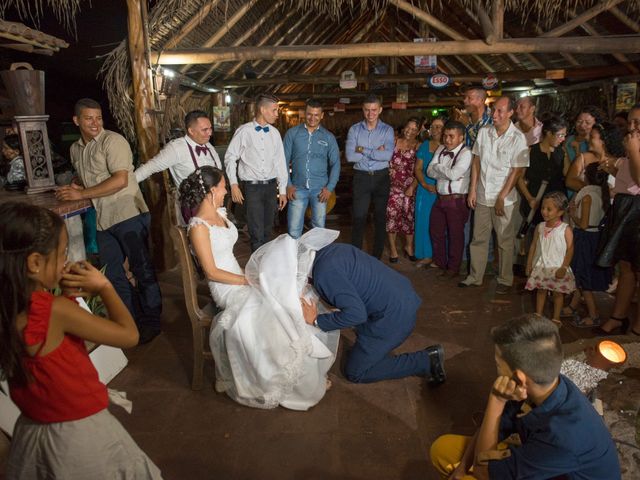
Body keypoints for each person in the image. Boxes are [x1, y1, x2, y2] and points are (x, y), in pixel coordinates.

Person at [0, 202, 161, 479]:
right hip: (76, 435)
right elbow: (128, 335)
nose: (65, 261)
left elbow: (49, 353)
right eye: (62, 254)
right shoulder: (53, 312)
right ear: (35, 263)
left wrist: (65, 297)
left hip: (33, 430)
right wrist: (104, 286)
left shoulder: (10, 309)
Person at [179, 167, 339, 410]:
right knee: (272, 316)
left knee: (288, 297)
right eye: (223, 186)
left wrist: (252, 275)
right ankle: (285, 381)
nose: (226, 190)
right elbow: (211, 272)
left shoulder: (220, 213)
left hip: (241, 277)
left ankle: (306, 368)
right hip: (227, 288)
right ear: (212, 191)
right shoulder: (198, 226)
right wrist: (246, 281)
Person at [430, 314, 621, 480]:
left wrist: (496, 401)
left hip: (552, 468)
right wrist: (462, 467)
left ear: (520, 379)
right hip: (542, 463)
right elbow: (496, 428)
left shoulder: (563, 436)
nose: (496, 370)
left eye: (498, 364)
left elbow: (483, 473)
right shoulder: (544, 383)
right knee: (443, 449)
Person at [55, 98, 162, 345]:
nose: (95, 122)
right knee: (113, 274)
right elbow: (93, 178)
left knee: (142, 270)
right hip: (102, 219)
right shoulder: (75, 149)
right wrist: (78, 185)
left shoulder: (113, 141)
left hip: (127, 214)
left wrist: (81, 194)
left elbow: (120, 180)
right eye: (89, 118)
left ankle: (152, 323)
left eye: (99, 117)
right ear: (77, 121)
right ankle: (130, 322)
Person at [301, 242, 446, 385]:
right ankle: (369, 347)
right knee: (357, 335)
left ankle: (427, 360)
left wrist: (316, 320)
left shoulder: (324, 274)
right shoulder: (328, 251)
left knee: (355, 372)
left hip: (394, 317)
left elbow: (356, 315)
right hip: (402, 295)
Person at [460, 96, 529, 294]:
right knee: (478, 238)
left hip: (504, 199)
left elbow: (517, 171)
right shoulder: (484, 132)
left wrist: (502, 197)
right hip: (482, 195)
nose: (495, 114)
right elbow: (476, 161)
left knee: (505, 241)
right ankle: (475, 276)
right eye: (494, 110)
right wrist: (472, 189)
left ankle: (505, 279)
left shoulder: (518, 138)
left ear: (510, 113)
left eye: (500, 111)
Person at [595, 103, 640, 336]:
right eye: (630, 122)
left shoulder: (634, 146)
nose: (631, 127)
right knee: (625, 267)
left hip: (638, 208)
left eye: (637, 123)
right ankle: (618, 317)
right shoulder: (630, 143)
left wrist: (633, 151)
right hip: (625, 207)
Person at [225, 93, 288, 252]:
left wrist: (282, 191)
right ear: (262, 109)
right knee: (256, 231)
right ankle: (257, 271)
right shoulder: (244, 131)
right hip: (252, 188)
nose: (276, 114)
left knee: (268, 230)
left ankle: (265, 267)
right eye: (274, 110)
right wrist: (233, 184)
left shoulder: (275, 133)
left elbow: (280, 163)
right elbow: (230, 157)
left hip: (271, 186)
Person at [345, 93, 395, 259]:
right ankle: (356, 257)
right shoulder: (354, 129)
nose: (370, 113)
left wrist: (362, 150)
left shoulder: (388, 130)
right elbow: (351, 157)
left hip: (381, 177)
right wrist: (375, 152)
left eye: (374, 110)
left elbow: (387, 156)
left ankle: (376, 258)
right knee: (359, 218)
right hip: (361, 177)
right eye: (367, 110)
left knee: (380, 218)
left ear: (380, 110)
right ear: (363, 110)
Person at [284, 98, 340, 239]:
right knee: (293, 230)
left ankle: (316, 259)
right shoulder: (292, 134)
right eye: (309, 114)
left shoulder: (328, 137)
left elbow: (335, 164)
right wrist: (288, 185)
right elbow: (283, 161)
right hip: (297, 189)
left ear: (321, 115)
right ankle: (294, 260)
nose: (312, 118)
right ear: (304, 113)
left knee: (319, 230)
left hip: (320, 190)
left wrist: (329, 188)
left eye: (316, 115)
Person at [564, 163, 612, 327]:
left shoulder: (587, 196)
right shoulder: (603, 193)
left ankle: (593, 314)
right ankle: (572, 306)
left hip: (584, 238)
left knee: (583, 276)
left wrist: (571, 213)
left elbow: (583, 224)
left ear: (587, 177)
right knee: (582, 275)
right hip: (595, 237)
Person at [427, 120, 472, 278]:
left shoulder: (466, 153)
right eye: (445, 136)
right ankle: (440, 262)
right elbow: (429, 172)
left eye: (451, 136)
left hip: (456, 200)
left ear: (461, 137)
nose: (447, 140)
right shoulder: (440, 149)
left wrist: (438, 168)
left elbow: (454, 174)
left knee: (455, 235)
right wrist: (444, 170)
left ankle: (453, 268)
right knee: (436, 231)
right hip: (440, 199)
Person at [134, 110, 222, 188]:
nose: (210, 133)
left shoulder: (209, 146)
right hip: (193, 204)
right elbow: (149, 168)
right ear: (191, 131)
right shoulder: (176, 148)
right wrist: (126, 187)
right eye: (205, 130)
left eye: (210, 129)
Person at [525, 192, 575, 323]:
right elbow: (534, 245)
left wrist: (564, 267)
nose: (544, 212)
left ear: (560, 212)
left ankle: (556, 318)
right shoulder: (540, 227)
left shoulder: (565, 229)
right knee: (541, 291)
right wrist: (529, 263)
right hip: (542, 266)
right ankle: (538, 315)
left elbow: (570, 249)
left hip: (557, 266)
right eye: (543, 208)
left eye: (549, 209)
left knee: (557, 294)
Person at [516, 116, 569, 232]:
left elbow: (567, 174)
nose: (563, 139)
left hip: (556, 204)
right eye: (560, 135)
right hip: (535, 200)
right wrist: (529, 198)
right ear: (549, 133)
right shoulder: (531, 151)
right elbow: (519, 178)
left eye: (564, 135)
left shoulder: (561, 152)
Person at [386, 117, 420, 262]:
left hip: (409, 189)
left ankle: (408, 247)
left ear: (418, 132)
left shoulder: (419, 146)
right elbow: (383, 158)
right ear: (403, 127)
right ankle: (393, 250)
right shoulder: (393, 142)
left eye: (413, 129)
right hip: (392, 188)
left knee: (409, 219)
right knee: (391, 218)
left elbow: (421, 170)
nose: (409, 131)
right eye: (408, 127)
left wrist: (412, 187)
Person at [414, 117, 444, 267]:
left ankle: (439, 256)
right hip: (425, 188)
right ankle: (426, 255)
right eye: (433, 127)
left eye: (439, 127)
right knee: (423, 222)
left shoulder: (448, 146)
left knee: (440, 224)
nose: (436, 130)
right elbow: (417, 168)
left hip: (443, 189)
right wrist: (425, 185)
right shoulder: (425, 145)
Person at [565, 121, 625, 194]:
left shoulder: (619, 162)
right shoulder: (583, 158)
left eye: (591, 137)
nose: (587, 139)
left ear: (603, 141)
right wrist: (596, 191)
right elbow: (570, 181)